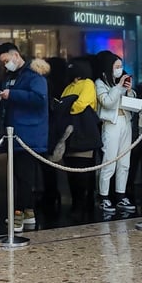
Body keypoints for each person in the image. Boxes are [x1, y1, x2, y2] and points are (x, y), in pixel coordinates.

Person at [0, 42, 49, 232]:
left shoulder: (34, 75)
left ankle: (18, 214)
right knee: (20, 175)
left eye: (6, 60)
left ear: (16, 55)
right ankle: (29, 212)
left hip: (29, 135)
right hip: (15, 133)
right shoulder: (11, 76)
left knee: (24, 177)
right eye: (3, 62)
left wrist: (12, 94)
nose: (5, 64)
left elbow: (39, 99)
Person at [95, 52, 136, 214]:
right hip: (110, 124)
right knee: (109, 161)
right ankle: (104, 197)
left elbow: (132, 104)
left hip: (125, 122)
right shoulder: (100, 83)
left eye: (121, 66)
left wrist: (129, 91)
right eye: (116, 66)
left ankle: (121, 195)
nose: (120, 69)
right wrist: (118, 87)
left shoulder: (122, 81)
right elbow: (107, 102)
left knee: (124, 162)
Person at [59, 58, 100, 213]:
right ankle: (76, 203)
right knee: (71, 171)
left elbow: (80, 104)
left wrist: (67, 110)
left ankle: (84, 204)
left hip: (84, 134)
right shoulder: (69, 86)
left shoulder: (88, 83)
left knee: (83, 172)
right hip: (69, 135)